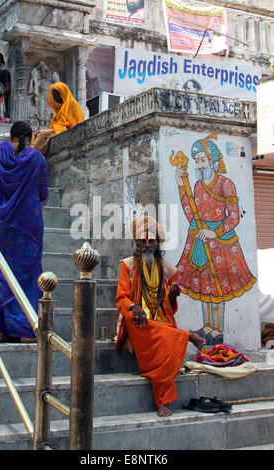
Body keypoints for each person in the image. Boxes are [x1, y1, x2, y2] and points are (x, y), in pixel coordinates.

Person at [115, 215, 206, 417]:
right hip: (139, 323)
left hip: (160, 324)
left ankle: (162, 401)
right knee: (132, 318)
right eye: (143, 241)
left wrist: (172, 297)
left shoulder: (166, 269)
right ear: (137, 243)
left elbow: (170, 309)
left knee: (164, 343)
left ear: (157, 244)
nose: (147, 244)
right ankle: (186, 336)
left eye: (151, 241)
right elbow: (120, 298)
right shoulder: (128, 265)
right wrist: (133, 306)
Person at [174, 134, 256, 345]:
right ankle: (208, 326)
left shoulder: (225, 184)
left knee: (219, 286)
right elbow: (192, 214)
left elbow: (234, 216)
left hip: (222, 242)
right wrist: (181, 186)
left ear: (212, 161)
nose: (200, 165)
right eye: (197, 161)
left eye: (203, 160)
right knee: (204, 286)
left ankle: (218, 329)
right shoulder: (199, 186)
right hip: (200, 238)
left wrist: (215, 232)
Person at [0, 121, 48, 342]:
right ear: (31, 137)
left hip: (2, 226)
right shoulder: (37, 159)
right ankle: (26, 330)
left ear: (11, 137)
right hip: (29, 228)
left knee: (2, 275)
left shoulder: (0, 153)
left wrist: (0, 186)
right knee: (28, 276)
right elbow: (43, 193)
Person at [31, 81, 85, 154]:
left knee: (42, 135)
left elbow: (74, 124)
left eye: (58, 94)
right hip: (58, 129)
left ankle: (30, 155)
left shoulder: (72, 103)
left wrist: (59, 127)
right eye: (54, 95)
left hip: (67, 131)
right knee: (38, 134)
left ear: (64, 93)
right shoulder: (61, 107)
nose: (56, 97)